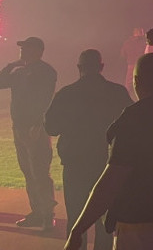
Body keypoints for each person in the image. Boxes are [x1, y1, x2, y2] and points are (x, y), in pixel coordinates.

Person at [65, 27, 153, 250]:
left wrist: (77, 230)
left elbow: (110, 182)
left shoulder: (132, 119)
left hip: (141, 225)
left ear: (135, 81)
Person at [45, 49, 133, 250]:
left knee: (76, 217)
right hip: (107, 163)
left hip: (75, 164)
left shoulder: (66, 93)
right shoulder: (117, 92)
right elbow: (132, 125)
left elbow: (51, 127)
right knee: (105, 218)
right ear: (101, 67)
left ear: (79, 68)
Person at [0, 36, 58, 230]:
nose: (22, 51)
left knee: (39, 172)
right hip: (19, 126)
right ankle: (37, 212)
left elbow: (46, 98)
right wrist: (11, 65)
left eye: (26, 48)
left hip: (34, 128)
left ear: (37, 50)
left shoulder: (45, 71)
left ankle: (47, 215)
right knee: (28, 172)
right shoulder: (18, 71)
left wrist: (38, 124)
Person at [119, 28, 146, 93]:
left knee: (128, 84)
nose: (143, 33)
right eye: (141, 31)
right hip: (141, 64)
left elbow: (122, 55)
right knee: (143, 82)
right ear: (138, 32)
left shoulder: (127, 42)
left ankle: (125, 97)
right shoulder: (143, 42)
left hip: (131, 64)